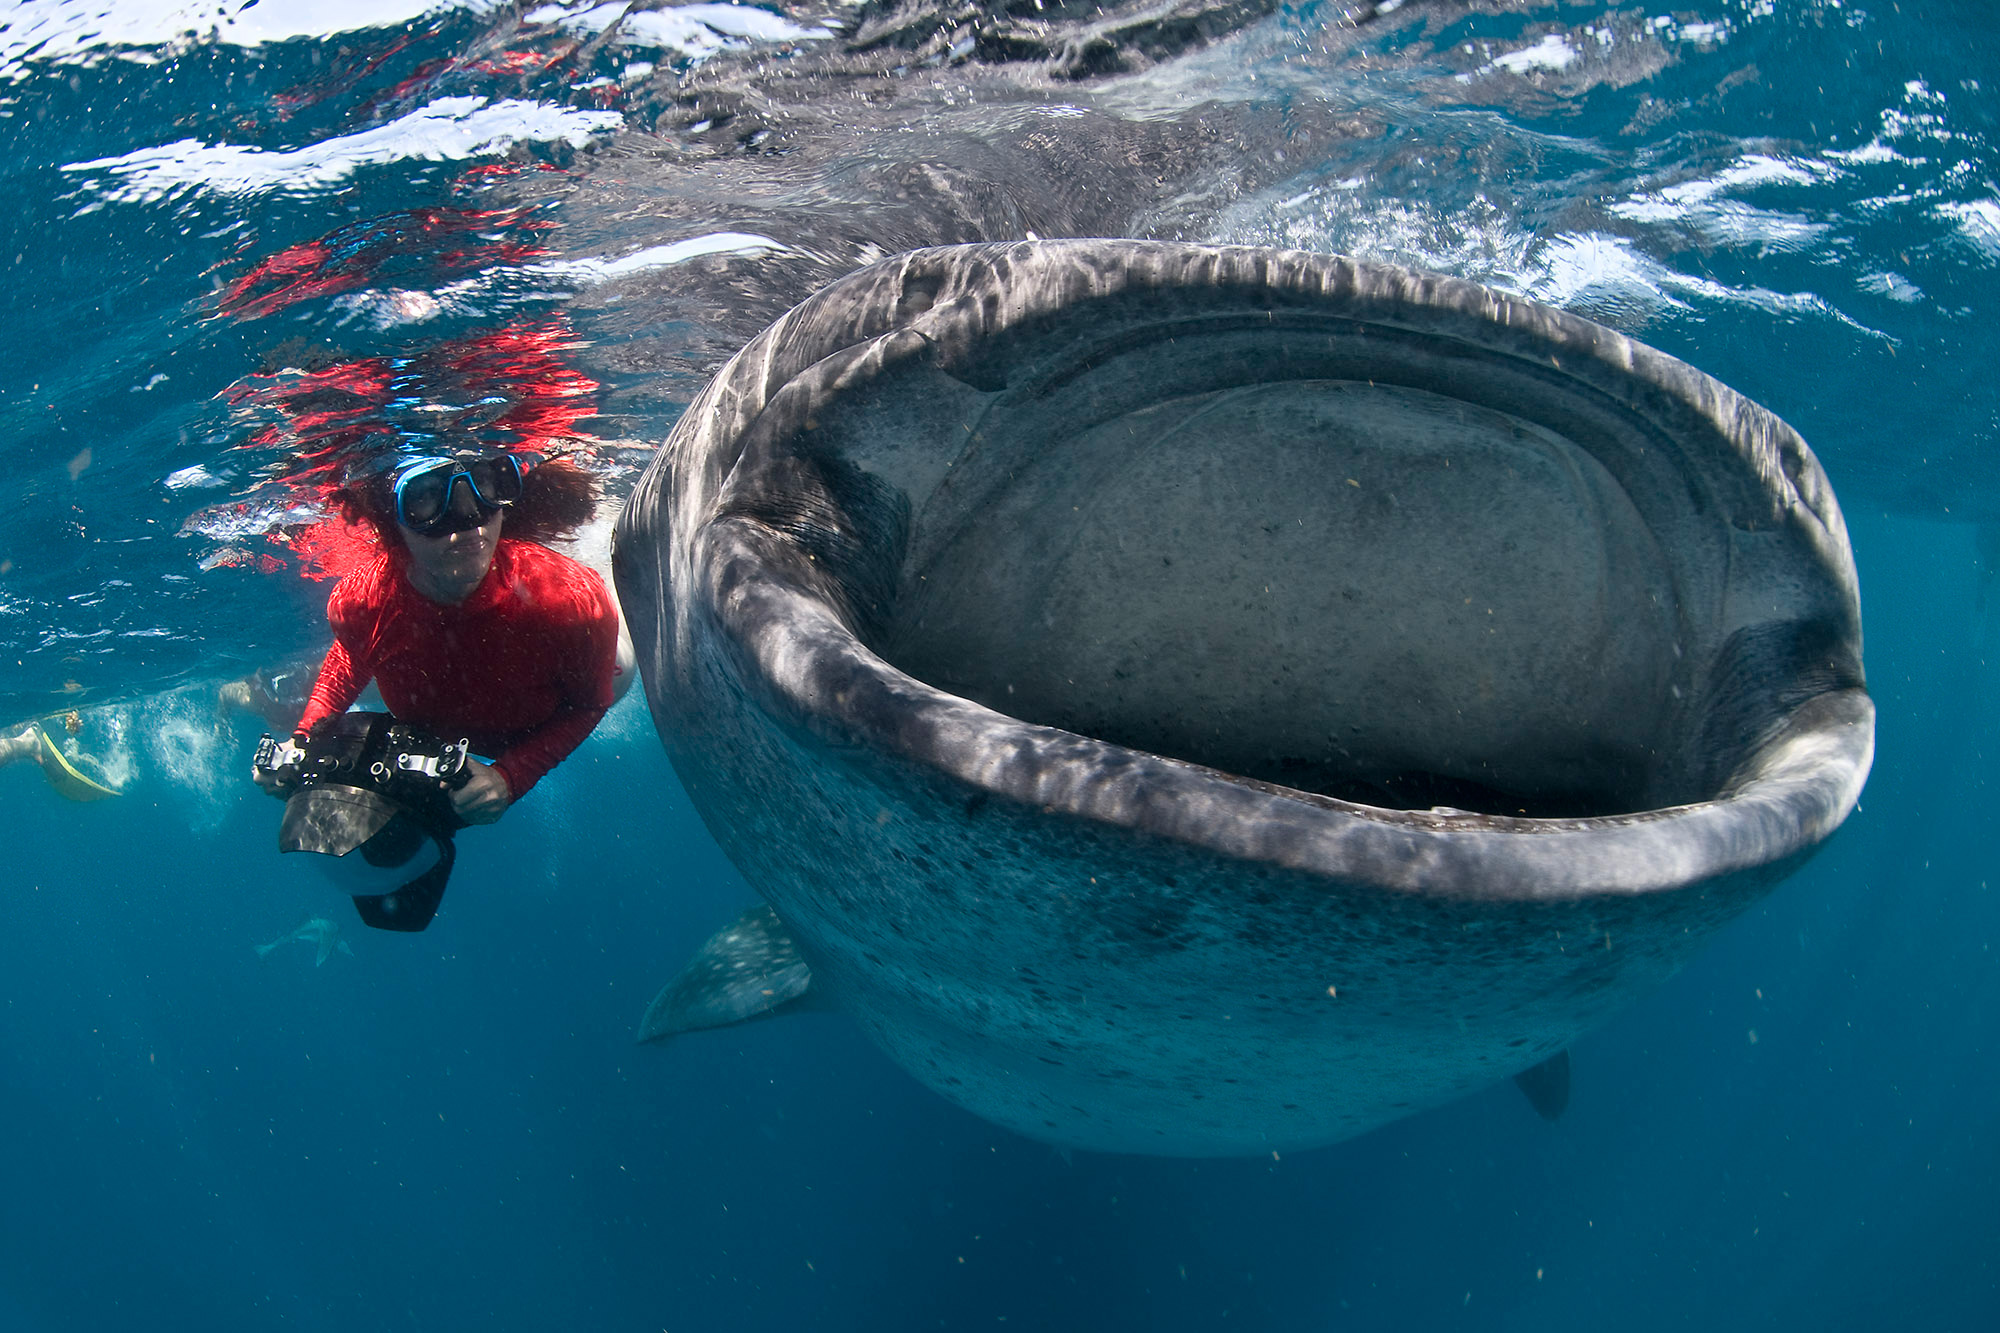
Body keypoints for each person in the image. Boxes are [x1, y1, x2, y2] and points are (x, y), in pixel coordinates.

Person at [279, 449, 622, 826]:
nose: (471, 519)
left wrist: (510, 777)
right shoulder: (361, 602)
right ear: (393, 521)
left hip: (584, 681)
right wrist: (301, 744)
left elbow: (589, 705)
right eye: (426, 497)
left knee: (620, 659)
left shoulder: (569, 602)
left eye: (486, 484)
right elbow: (351, 656)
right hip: (456, 701)